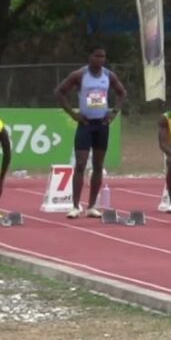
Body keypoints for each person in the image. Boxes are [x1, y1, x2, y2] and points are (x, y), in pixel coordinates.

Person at [55, 45, 127, 218]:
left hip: (102, 124)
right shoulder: (80, 75)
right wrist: (73, 114)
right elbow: (59, 92)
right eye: (97, 56)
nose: (100, 60)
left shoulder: (108, 75)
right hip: (86, 124)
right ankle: (75, 206)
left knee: (98, 166)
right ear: (90, 57)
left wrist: (114, 112)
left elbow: (122, 93)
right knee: (80, 164)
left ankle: (92, 206)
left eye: (103, 57)